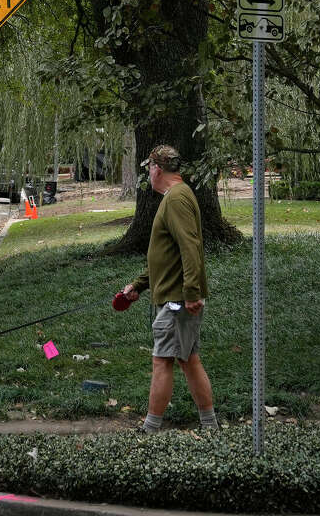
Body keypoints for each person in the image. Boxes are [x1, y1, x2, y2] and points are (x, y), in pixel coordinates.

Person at [121, 144, 218, 433]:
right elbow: (168, 254)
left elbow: (190, 247)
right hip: (177, 297)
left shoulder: (175, 199)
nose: (148, 175)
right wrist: (139, 285)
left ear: (157, 169)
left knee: (162, 361)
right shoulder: (178, 195)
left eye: (149, 169)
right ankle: (210, 425)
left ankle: (150, 430)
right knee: (188, 359)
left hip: (177, 301)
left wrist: (190, 294)